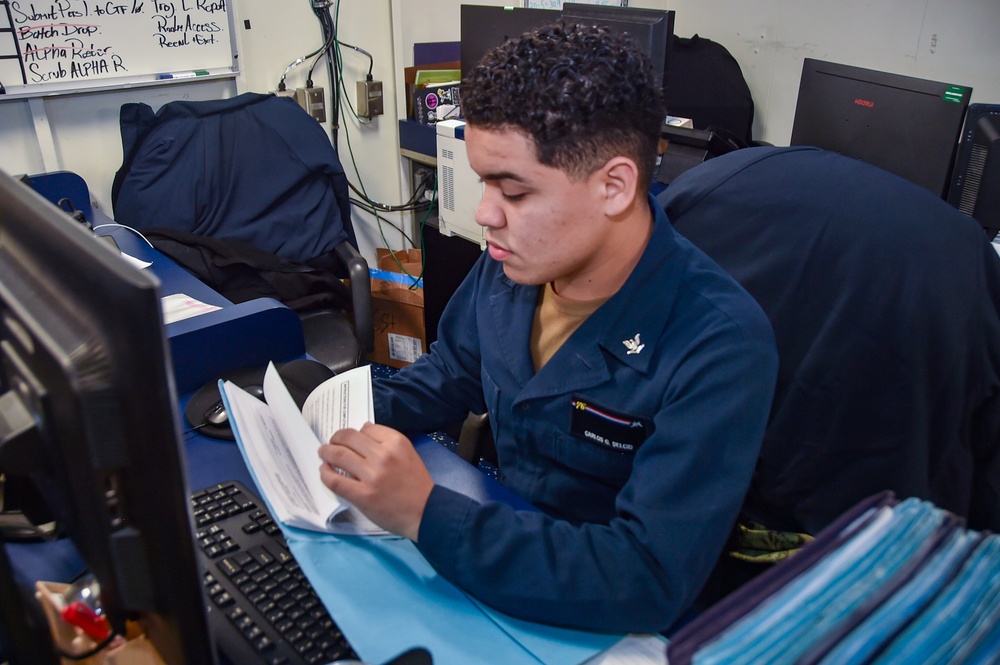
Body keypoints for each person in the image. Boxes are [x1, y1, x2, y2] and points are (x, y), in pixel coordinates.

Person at [317, 21, 778, 634]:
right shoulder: (515, 264)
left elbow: (645, 575)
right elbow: (453, 373)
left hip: (601, 616)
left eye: (514, 191)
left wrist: (425, 513)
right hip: (503, 542)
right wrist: (335, 413)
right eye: (484, 182)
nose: (484, 215)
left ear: (614, 186)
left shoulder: (719, 343)